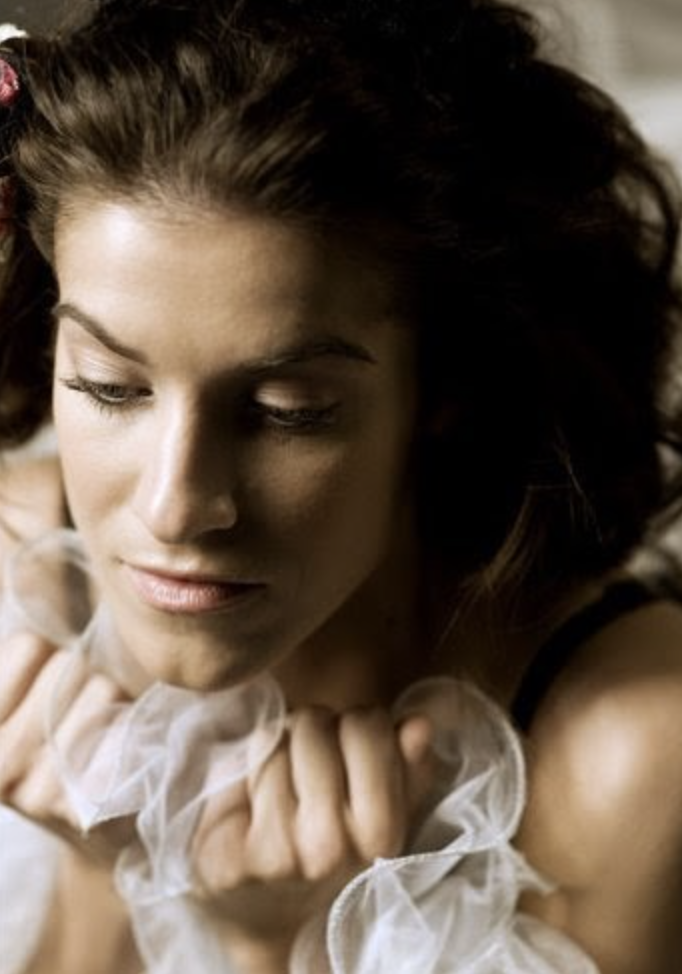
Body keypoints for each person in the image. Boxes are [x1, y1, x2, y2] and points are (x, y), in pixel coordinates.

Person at [0, 1, 681, 972]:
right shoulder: (22, 576)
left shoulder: (636, 750)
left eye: (289, 409)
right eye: (110, 386)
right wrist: (109, 876)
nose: (174, 506)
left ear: (445, 388)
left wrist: (268, 945)